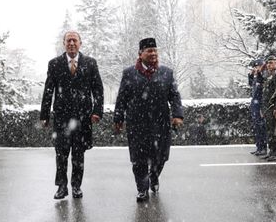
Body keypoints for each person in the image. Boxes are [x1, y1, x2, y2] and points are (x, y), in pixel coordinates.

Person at [114, 38, 183, 202]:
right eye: (149, 51)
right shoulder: (129, 73)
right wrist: (118, 117)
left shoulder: (167, 72)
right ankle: (142, 189)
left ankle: (154, 176)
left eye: (155, 50)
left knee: (161, 156)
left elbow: (174, 96)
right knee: (138, 159)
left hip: (161, 123)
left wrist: (177, 115)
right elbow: (122, 97)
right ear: (140, 54)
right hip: (137, 124)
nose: (153, 54)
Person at [40, 31, 104, 199]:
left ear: (80, 43)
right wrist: (44, 115)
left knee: (78, 154)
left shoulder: (90, 63)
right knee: (61, 154)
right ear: (64, 43)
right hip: (62, 118)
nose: (71, 43)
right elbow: (48, 90)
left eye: (74, 40)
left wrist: (97, 111)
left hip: (83, 118)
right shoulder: (54, 64)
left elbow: (97, 89)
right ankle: (62, 186)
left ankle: (76, 186)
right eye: (68, 41)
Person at [261, 55, 276, 162]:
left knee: (274, 131)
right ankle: (271, 151)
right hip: (267, 108)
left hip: (272, 107)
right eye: (268, 63)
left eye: (271, 63)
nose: (269, 65)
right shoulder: (269, 77)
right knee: (269, 131)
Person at [248, 59, 267, 156]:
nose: (255, 68)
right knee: (256, 127)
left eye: (257, 66)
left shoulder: (263, 76)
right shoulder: (256, 77)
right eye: (254, 67)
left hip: (260, 104)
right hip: (255, 104)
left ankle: (263, 147)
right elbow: (251, 84)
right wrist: (250, 75)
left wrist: (262, 108)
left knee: (261, 127)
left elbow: (263, 93)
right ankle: (259, 147)